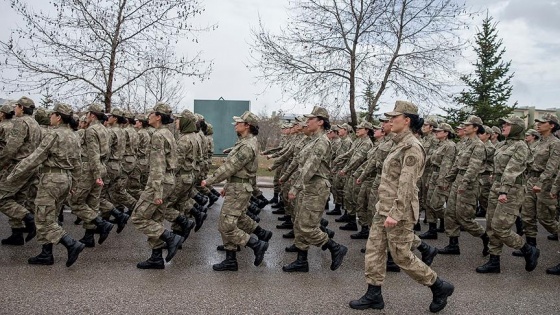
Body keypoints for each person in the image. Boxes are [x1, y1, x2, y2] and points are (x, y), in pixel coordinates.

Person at [349, 100, 453, 313]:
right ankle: (373, 294)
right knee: (374, 250)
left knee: (401, 256)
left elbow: (407, 184)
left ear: (406, 120)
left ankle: (438, 285)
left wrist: (395, 213)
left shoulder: (412, 147)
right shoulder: (398, 143)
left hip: (399, 211)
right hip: (383, 207)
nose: (389, 120)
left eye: (394, 117)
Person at [7, 103, 85, 267]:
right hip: (66, 179)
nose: (50, 117)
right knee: (51, 216)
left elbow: (36, 157)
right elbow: (78, 163)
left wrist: (14, 173)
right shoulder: (74, 135)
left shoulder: (54, 135)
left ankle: (71, 244)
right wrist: (75, 184)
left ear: (58, 117)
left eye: (52, 114)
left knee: (43, 219)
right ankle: (46, 253)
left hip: (51, 179)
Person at [282, 106, 348, 272]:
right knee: (299, 223)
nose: (307, 122)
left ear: (320, 122)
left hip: (317, 186)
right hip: (309, 185)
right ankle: (301, 260)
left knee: (306, 226)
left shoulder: (322, 142)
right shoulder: (313, 141)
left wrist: (295, 187)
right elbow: (300, 162)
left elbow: (311, 166)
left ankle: (335, 247)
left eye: (310, 119)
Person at [201, 111, 269, 271]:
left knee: (225, 225)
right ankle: (230, 260)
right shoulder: (244, 142)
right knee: (232, 221)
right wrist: (226, 186)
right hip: (236, 187)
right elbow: (237, 170)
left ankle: (257, 244)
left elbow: (230, 167)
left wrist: (209, 180)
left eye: (239, 123)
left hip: (239, 189)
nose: (235, 125)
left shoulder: (247, 145)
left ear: (247, 126)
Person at [475, 115, 539, 274]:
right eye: (502, 124)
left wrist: (503, 190)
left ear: (516, 127)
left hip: (511, 190)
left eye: (507, 124)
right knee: (490, 225)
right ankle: (494, 261)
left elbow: (512, 169)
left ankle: (528, 249)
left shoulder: (521, 146)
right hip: (497, 186)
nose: (503, 126)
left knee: (500, 227)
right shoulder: (503, 145)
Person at [131, 102, 184, 269]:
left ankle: (170, 237)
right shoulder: (168, 133)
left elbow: (158, 165)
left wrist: (157, 191)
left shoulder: (158, 136)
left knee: (139, 217)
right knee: (156, 218)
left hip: (160, 182)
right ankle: (156, 257)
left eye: (152, 113)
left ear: (159, 116)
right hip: (169, 180)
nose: (149, 115)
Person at [438, 115, 490, 256]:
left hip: (469, 184)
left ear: (475, 128)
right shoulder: (467, 143)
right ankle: (453, 245)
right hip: (458, 180)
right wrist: (448, 180)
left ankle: (486, 238)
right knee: (450, 213)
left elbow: (473, 168)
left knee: (464, 218)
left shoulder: (478, 145)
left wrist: (464, 184)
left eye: (468, 125)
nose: (465, 127)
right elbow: (457, 165)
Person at [0, 97, 41, 245]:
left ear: (22, 108)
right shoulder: (35, 124)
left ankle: (29, 219)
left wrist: (1, 163)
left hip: (19, 166)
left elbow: (11, 147)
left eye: (16, 106)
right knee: (18, 199)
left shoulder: (21, 122)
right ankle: (16, 233)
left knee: (2, 198)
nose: (14, 109)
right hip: (31, 167)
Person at [519, 114, 560, 251]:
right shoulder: (538, 143)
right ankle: (531, 248)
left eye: (542, 122)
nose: (538, 124)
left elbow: (552, 167)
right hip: (531, 180)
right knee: (527, 215)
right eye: (538, 122)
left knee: (545, 218)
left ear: (552, 125)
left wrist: (541, 183)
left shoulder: (555, 143)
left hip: (546, 183)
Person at [419, 123, 456, 239]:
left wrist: (443, 182)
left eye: (439, 131)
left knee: (436, 204)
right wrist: (429, 179)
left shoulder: (450, 146)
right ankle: (432, 229)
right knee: (429, 203)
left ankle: (451, 221)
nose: (436, 132)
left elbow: (446, 165)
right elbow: (432, 162)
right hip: (433, 175)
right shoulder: (439, 145)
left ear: (446, 133)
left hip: (441, 177)